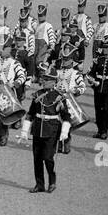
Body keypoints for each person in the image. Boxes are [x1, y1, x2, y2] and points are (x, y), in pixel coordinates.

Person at [18, 64, 74, 193]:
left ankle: (52, 181)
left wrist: (65, 131)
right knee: (37, 159)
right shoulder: (37, 94)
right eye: (43, 78)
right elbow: (31, 113)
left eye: (47, 79)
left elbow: (66, 117)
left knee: (48, 158)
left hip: (52, 130)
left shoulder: (59, 97)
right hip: (38, 129)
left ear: (54, 81)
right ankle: (40, 184)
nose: (44, 81)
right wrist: (24, 131)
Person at [0, 43, 28, 146]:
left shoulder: (15, 63)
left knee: (5, 114)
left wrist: (15, 83)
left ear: (9, 51)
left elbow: (22, 76)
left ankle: (4, 138)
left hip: (8, 91)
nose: (1, 51)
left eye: (4, 50)